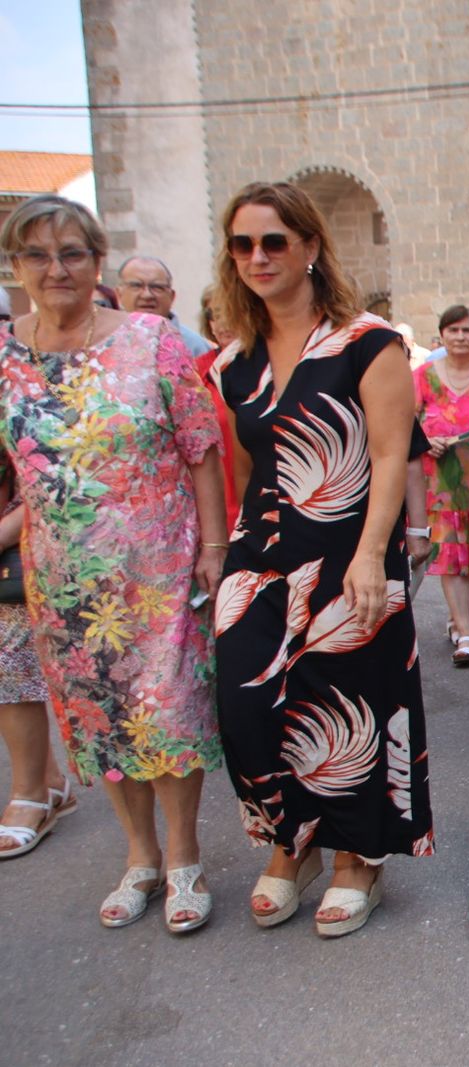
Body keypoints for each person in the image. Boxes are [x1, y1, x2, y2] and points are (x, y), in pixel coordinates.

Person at [212, 180, 434, 939]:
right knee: (245, 708)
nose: (258, 256)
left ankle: (354, 859)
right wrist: (225, 561)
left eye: (274, 240)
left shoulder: (369, 341)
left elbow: (388, 452)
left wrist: (375, 554)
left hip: (350, 552)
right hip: (260, 557)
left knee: (351, 704)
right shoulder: (233, 361)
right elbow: (243, 468)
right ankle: (289, 841)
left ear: (310, 247)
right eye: (243, 244)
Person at [0, 195, 229, 931]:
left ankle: (184, 858)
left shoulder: (152, 338)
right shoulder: (5, 357)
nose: (56, 268)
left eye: (72, 252)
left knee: (167, 715)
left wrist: (214, 547)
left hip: (158, 568)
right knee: (99, 721)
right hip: (63, 577)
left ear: (97, 262)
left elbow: (201, 447)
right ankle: (138, 856)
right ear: (17, 268)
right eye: (37, 254)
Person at [415, 304, 469, 667]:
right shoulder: (422, 375)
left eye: (467, 330)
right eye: (453, 330)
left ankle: (456, 617)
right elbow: (403, 418)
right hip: (439, 478)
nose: (460, 337)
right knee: (450, 555)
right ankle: (465, 633)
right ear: (441, 335)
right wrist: (423, 439)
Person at [0, 490, 75, 860]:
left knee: (10, 662)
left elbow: (44, 473)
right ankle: (48, 781)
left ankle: (30, 794)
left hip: (28, 528)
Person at [196, 284, 241, 529]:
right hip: (215, 506)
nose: (222, 323)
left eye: (230, 312)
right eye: (215, 314)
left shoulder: (269, 367)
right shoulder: (195, 372)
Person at [115, 254, 210, 357]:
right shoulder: (104, 342)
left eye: (157, 287)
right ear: (119, 294)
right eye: (136, 286)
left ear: (172, 296)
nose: (147, 295)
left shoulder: (195, 347)